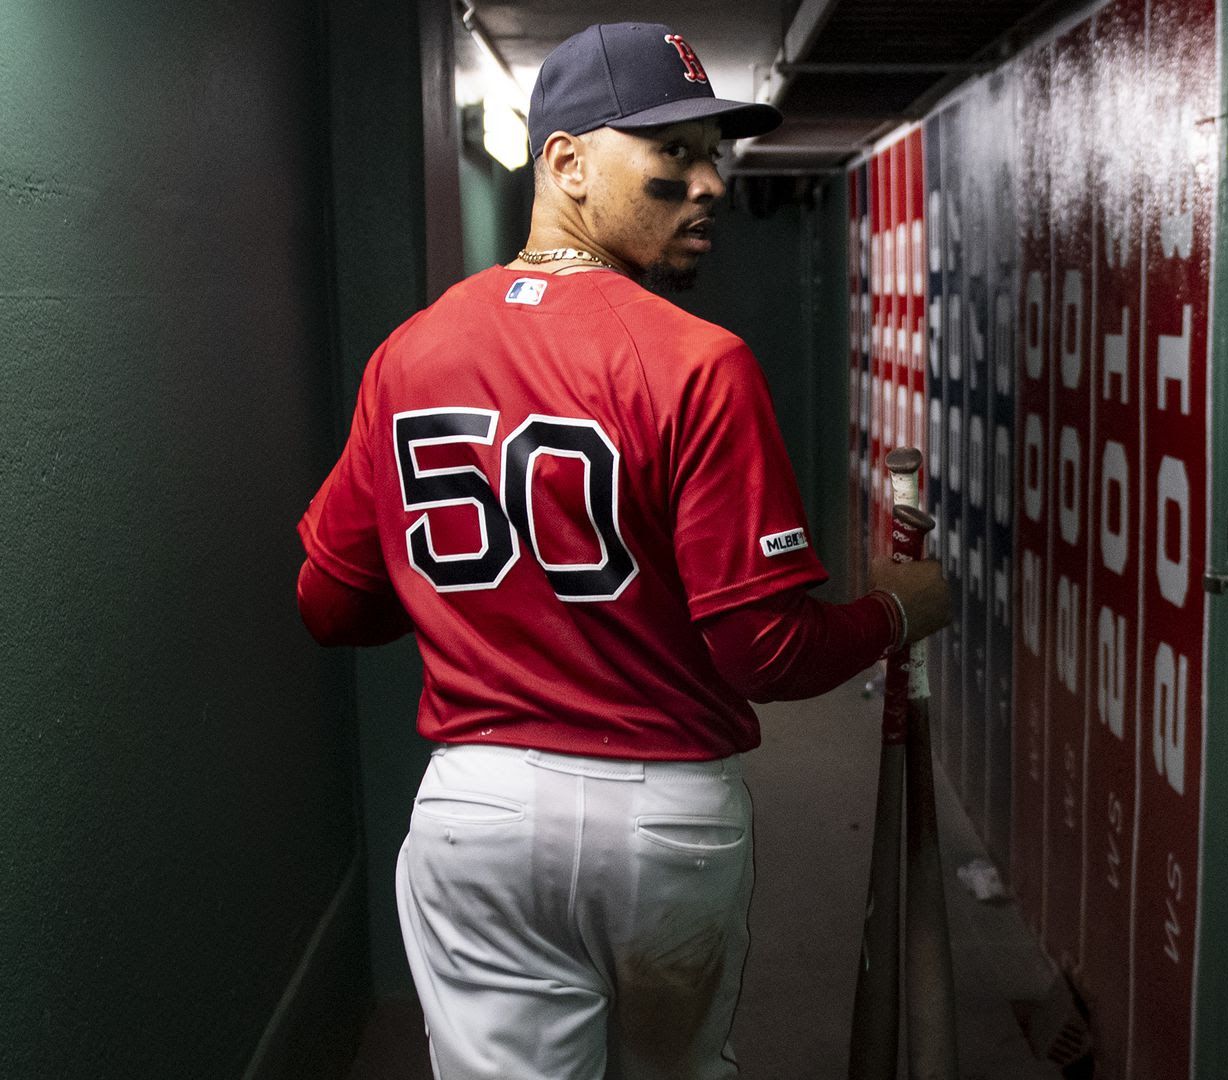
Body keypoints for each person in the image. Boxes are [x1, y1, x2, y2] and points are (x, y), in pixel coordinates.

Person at [295, 21, 951, 1079]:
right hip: (663, 818)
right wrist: (897, 611)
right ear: (563, 161)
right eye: (674, 154)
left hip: (479, 807)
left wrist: (456, 598)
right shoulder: (699, 361)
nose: (711, 185)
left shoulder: (408, 355)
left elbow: (330, 604)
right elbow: (762, 653)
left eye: (715, 155)